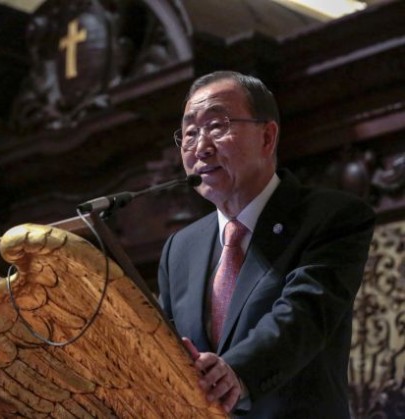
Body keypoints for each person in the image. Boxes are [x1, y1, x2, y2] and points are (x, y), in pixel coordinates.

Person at [157, 70, 375, 418]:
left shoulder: (332, 216)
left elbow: (303, 315)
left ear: (267, 137)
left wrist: (237, 371)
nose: (201, 147)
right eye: (190, 133)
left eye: (216, 126)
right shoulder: (179, 248)